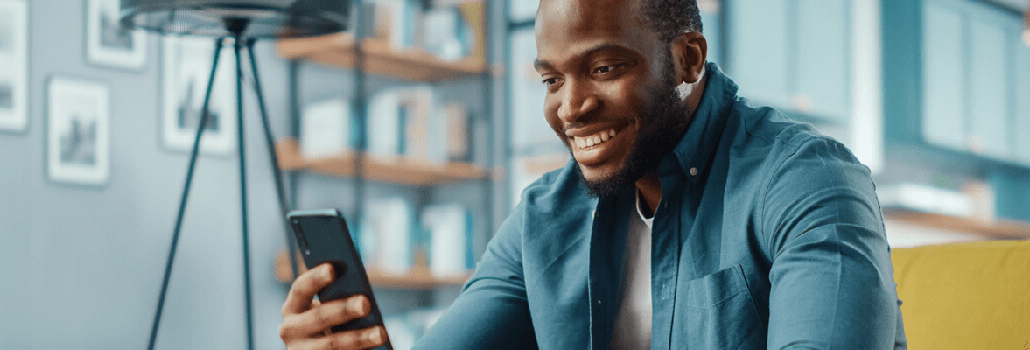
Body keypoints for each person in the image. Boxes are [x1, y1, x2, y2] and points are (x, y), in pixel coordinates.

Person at [279, 0, 907, 348]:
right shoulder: (544, 217)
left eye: (605, 68)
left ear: (686, 58)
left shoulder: (806, 182)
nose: (570, 107)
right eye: (551, 79)